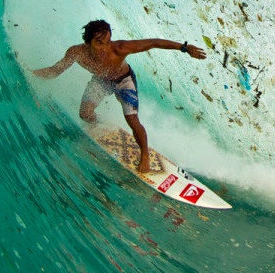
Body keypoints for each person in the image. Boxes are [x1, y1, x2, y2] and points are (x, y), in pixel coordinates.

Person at [33, 20, 206, 173]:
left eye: (107, 42)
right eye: (99, 42)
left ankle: (144, 154)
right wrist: (30, 73)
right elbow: (56, 70)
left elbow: (153, 42)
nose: (104, 48)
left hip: (124, 82)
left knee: (132, 120)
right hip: (101, 81)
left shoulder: (119, 48)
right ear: (88, 41)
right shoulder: (76, 52)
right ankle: (101, 126)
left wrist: (184, 48)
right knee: (85, 114)